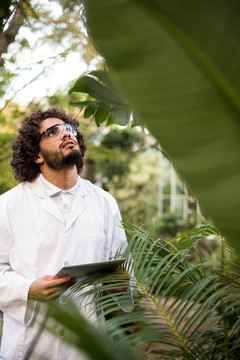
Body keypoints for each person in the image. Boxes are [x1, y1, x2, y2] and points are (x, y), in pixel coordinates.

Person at [0, 108, 129, 360]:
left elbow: (123, 268)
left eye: (69, 129)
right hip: (29, 348)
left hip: (86, 348)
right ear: (36, 155)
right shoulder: (7, 205)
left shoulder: (105, 203)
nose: (66, 133)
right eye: (52, 132)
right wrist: (27, 290)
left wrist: (121, 285)